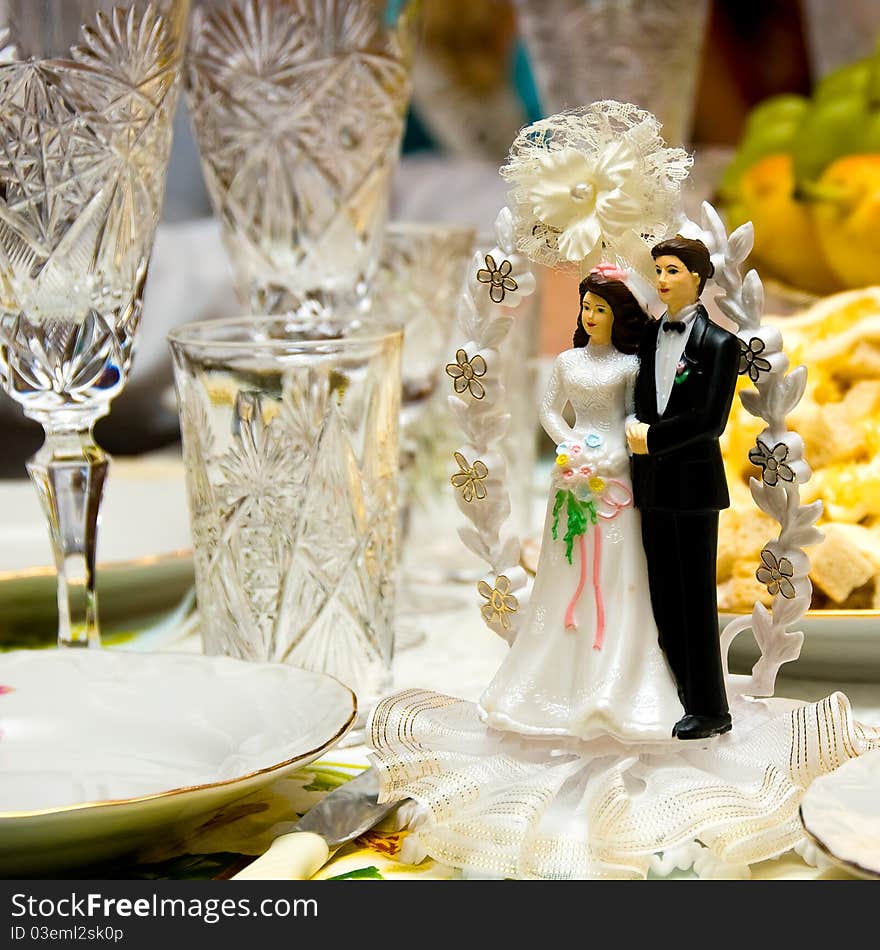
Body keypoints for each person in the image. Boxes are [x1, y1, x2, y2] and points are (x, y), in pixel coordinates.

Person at [478, 266, 684, 743]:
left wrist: (618, 448)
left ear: (619, 315)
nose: (591, 316)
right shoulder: (567, 363)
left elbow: (635, 412)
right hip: (574, 471)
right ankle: (555, 673)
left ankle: (614, 673)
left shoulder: (629, 367)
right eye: (586, 307)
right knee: (565, 564)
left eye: (600, 308)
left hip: (615, 468)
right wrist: (569, 443)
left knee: (617, 566)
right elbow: (549, 409)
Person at [626, 236, 740, 741]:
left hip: (694, 487)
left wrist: (652, 438)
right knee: (662, 599)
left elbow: (709, 421)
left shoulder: (720, 345)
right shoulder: (650, 337)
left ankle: (711, 707)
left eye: (672, 270)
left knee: (696, 601)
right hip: (650, 486)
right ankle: (674, 695)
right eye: (658, 269)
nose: (663, 279)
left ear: (697, 277)